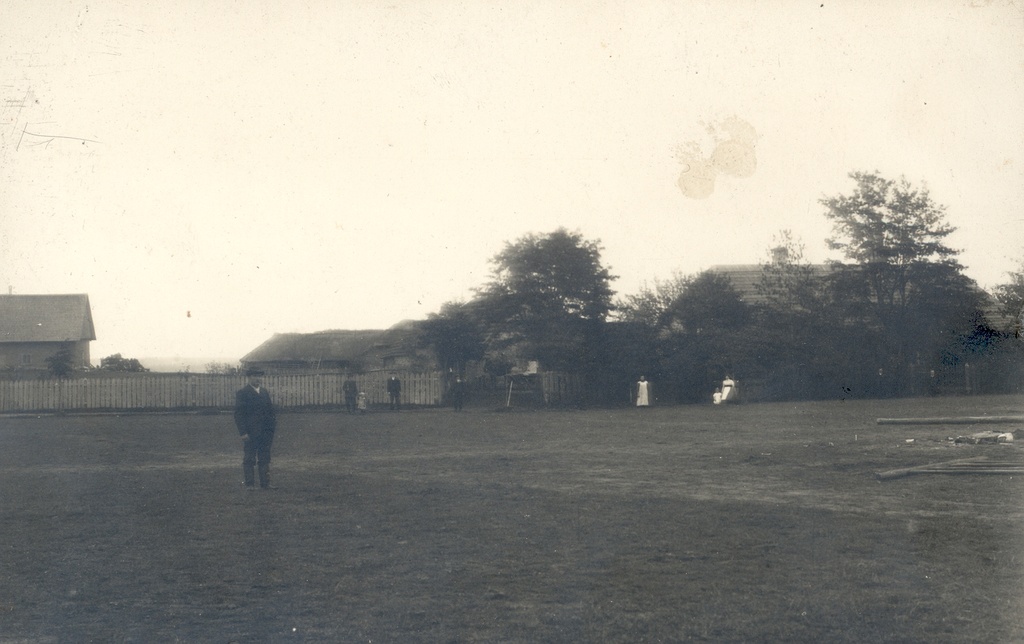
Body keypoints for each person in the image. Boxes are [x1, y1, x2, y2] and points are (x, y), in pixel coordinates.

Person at [234, 368, 277, 490]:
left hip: (265, 432)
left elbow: (270, 412)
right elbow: (239, 415)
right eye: (255, 376)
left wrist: (271, 428)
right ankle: (250, 484)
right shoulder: (242, 393)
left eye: (260, 376)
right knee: (249, 458)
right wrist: (243, 432)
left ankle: (265, 484)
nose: (258, 379)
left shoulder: (264, 392)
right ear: (249, 378)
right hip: (251, 432)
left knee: (264, 457)